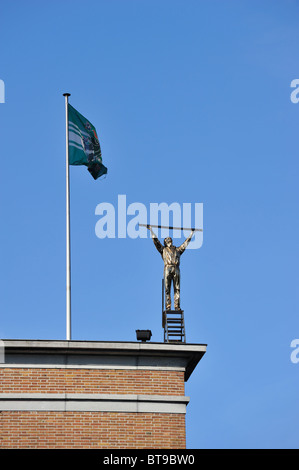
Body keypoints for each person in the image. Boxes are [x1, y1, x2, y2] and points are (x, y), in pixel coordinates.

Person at [147, 226, 195, 310]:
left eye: (170, 239)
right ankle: (168, 305)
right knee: (167, 288)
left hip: (176, 268)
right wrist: (151, 230)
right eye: (167, 239)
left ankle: (177, 306)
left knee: (177, 288)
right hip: (168, 268)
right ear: (165, 242)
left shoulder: (177, 250)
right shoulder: (163, 250)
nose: (169, 240)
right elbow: (156, 241)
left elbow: (185, 244)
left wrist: (191, 233)